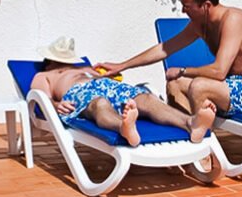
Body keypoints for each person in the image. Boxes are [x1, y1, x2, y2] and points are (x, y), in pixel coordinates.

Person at [96, 0, 242, 118]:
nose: (183, 10)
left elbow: (219, 71)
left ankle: (204, 150)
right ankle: (187, 139)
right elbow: (165, 48)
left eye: (187, 6)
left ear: (206, 5)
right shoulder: (200, 24)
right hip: (230, 87)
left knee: (198, 86)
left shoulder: (233, 19)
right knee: (174, 85)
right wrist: (122, 65)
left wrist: (183, 71)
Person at [29, 37, 215, 145]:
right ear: (49, 59)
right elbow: (41, 99)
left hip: (109, 86)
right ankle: (124, 127)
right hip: (81, 93)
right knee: (100, 104)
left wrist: (111, 71)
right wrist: (55, 104)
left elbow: (113, 78)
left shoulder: (83, 67)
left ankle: (191, 122)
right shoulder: (45, 75)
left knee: (148, 98)